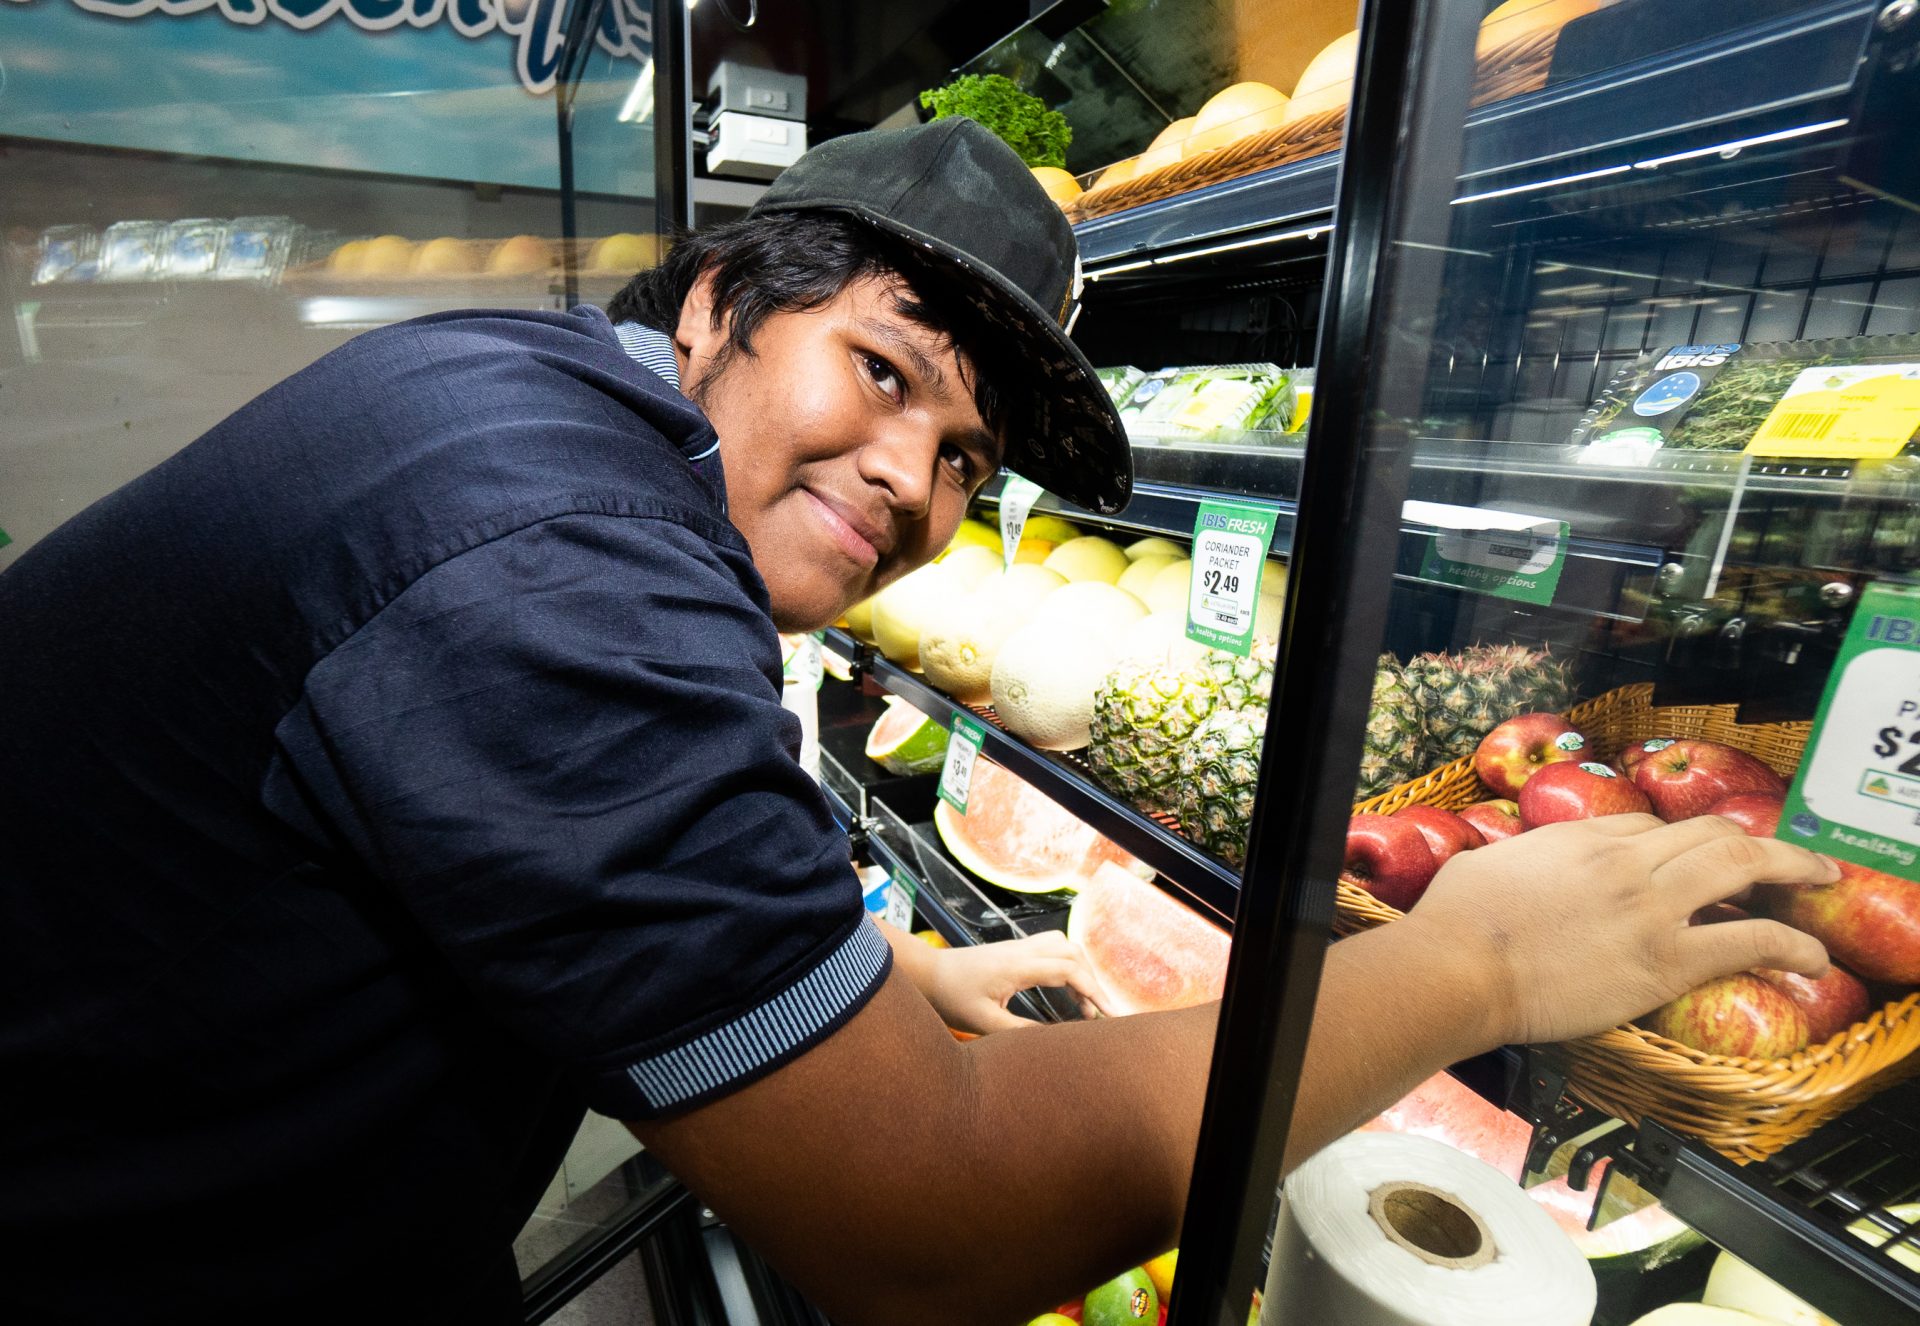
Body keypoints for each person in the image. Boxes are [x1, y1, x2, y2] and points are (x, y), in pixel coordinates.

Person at [0, 118, 1835, 1325]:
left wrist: (845, 988)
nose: (909, 478)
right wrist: (1476, 969)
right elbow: (925, 1231)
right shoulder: (563, 558)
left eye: (969, 453)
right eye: (884, 370)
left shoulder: (530, 419)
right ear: (721, 300)